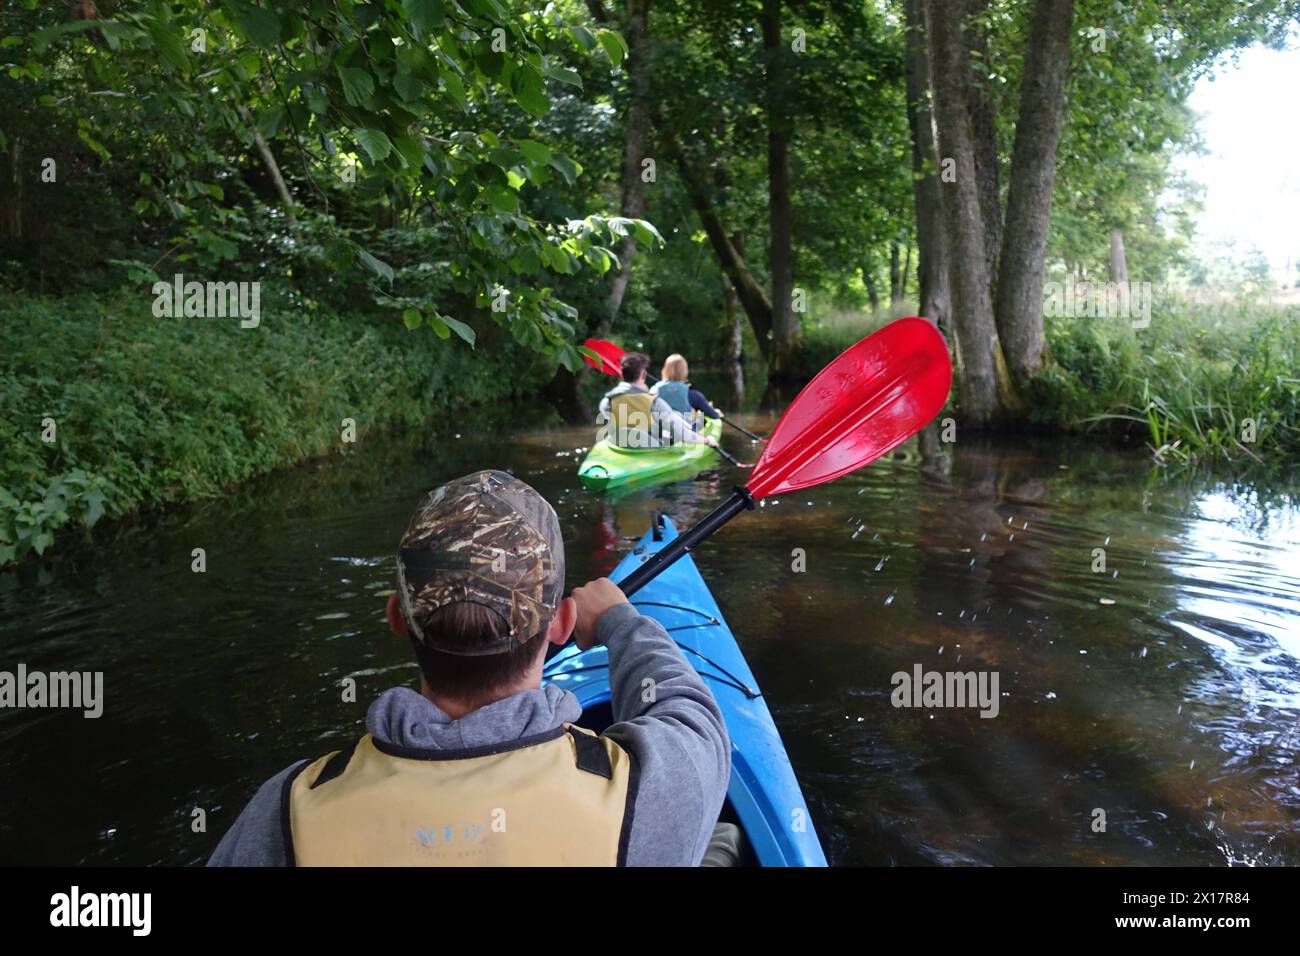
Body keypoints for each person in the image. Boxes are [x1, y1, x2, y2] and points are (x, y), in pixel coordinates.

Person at [207, 470, 733, 866]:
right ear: (561, 623)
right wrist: (619, 622)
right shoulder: (645, 789)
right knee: (723, 841)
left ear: (397, 618)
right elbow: (691, 713)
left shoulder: (289, 806)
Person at [598, 351, 719, 450]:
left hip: (620, 446)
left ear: (622, 375)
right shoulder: (655, 402)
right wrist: (707, 440)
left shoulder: (606, 402)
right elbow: (682, 434)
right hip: (649, 450)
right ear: (644, 375)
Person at [651, 353, 724, 432]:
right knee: (703, 419)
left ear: (665, 370)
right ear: (685, 371)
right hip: (683, 433)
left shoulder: (654, 390)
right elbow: (714, 416)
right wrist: (716, 412)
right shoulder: (692, 394)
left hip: (660, 432)